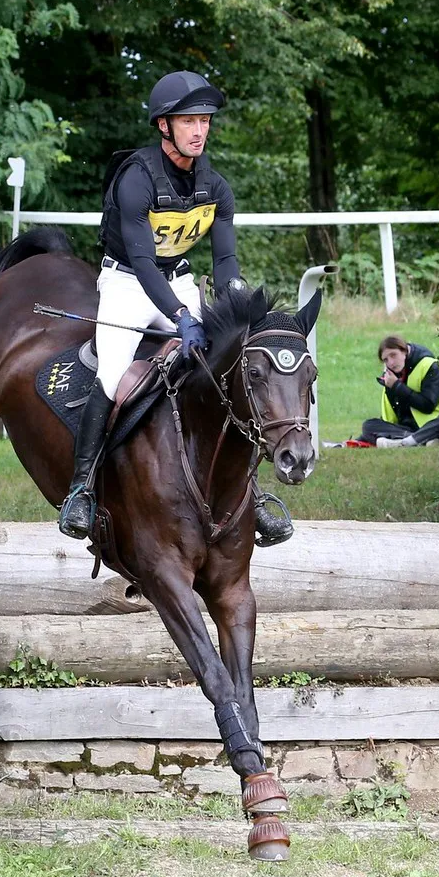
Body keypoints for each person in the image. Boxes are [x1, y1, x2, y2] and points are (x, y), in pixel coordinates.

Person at [58, 70, 294, 546]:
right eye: (189, 120)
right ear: (164, 126)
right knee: (113, 373)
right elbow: (143, 262)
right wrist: (183, 318)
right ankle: (80, 488)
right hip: (127, 282)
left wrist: (234, 309)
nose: (200, 130)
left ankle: (252, 490)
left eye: (205, 120)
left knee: (220, 369)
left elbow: (225, 262)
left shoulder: (216, 187)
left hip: (179, 281)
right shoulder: (137, 179)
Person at [355, 334, 439, 448]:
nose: (390, 362)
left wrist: (397, 387)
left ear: (404, 351)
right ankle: (418, 441)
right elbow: (392, 420)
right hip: (410, 430)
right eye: (386, 360)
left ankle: (407, 442)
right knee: (369, 426)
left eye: (393, 355)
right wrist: (354, 442)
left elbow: (428, 405)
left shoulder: (430, 366)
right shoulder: (390, 378)